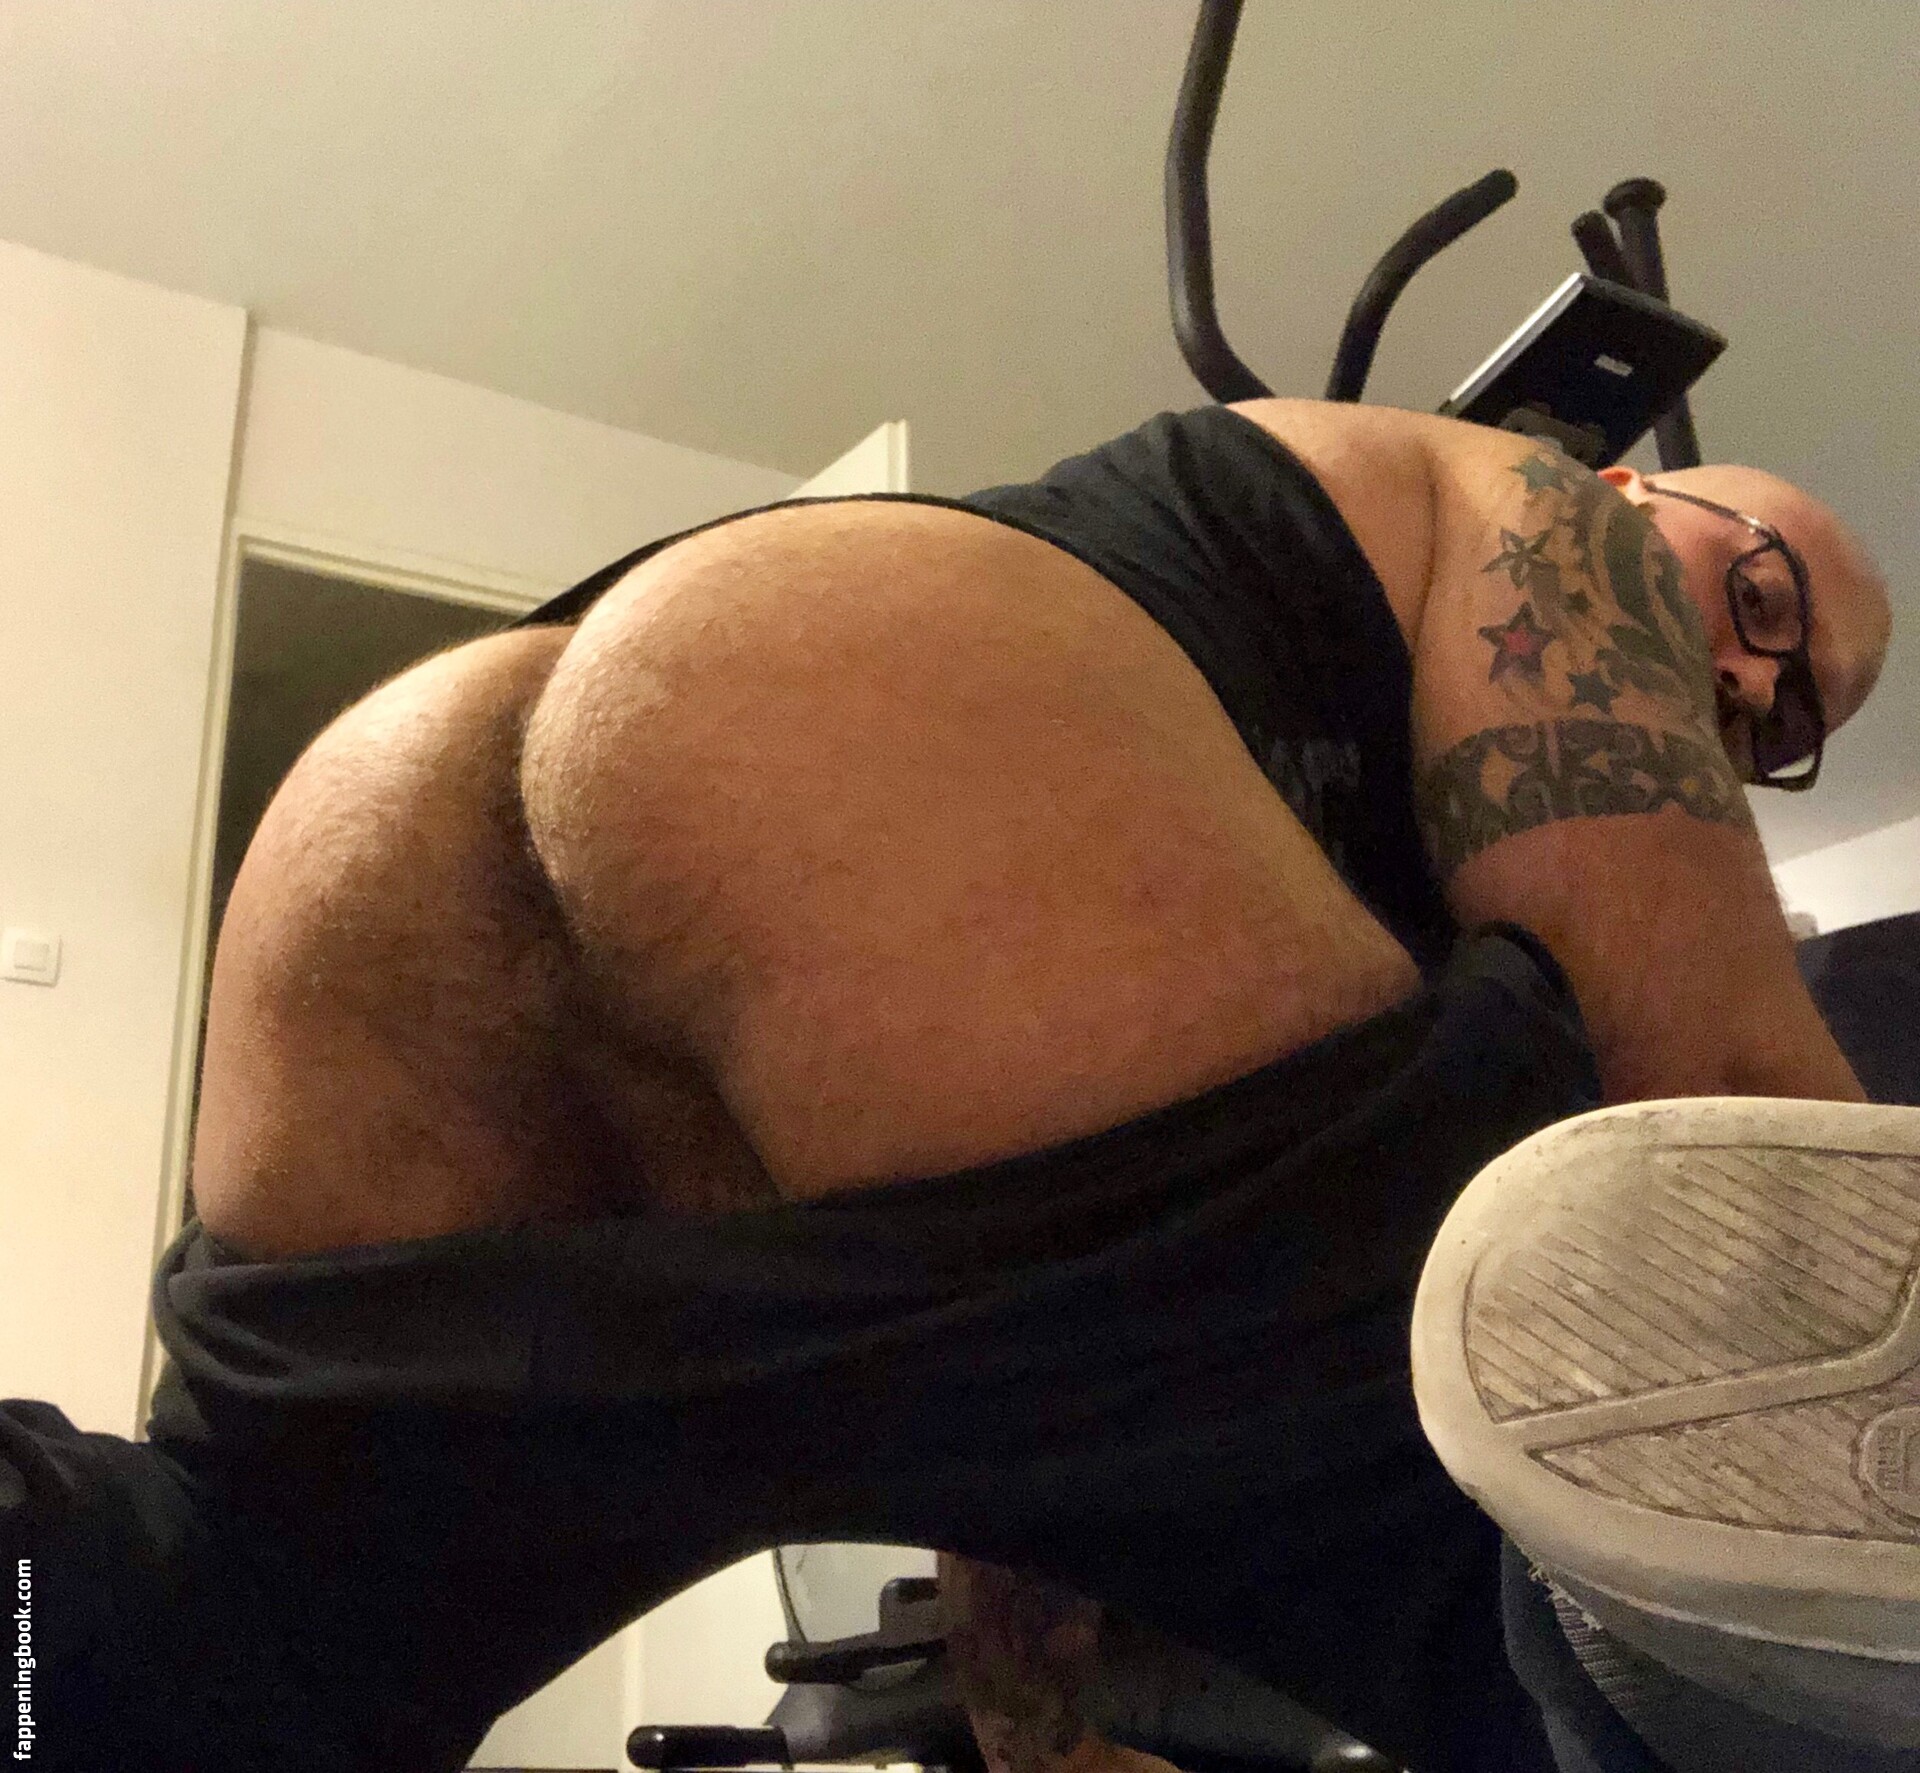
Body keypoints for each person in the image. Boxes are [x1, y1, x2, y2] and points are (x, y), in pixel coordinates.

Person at [0, 396, 1893, 1773]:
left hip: (383, 865)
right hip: (809, 720)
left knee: (183, 1655)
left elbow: (1042, 1383)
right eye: (1766, 595)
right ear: (1632, 483)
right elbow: (1752, 1167)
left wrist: (1038, 1728)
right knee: (1657, 1625)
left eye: (1801, 720)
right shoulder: (1538, 504)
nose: (1755, 688)